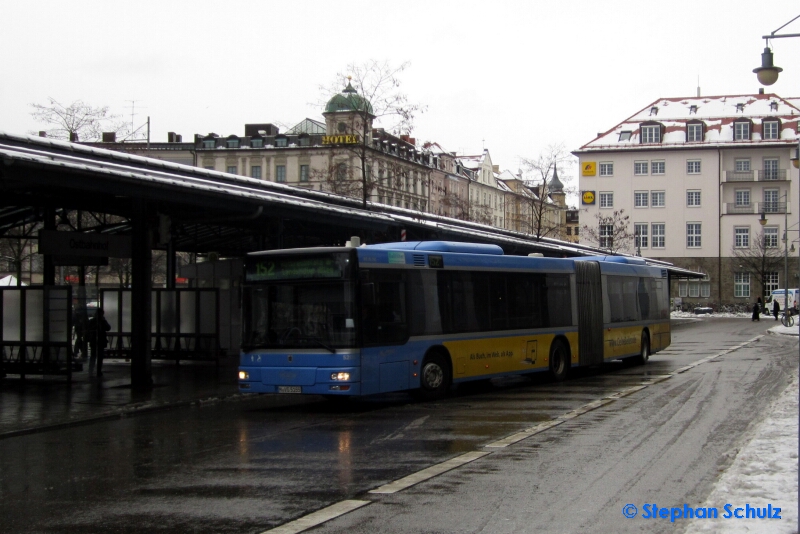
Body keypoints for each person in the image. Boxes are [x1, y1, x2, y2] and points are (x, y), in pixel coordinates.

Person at [85, 308, 111, 377]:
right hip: (97, 341)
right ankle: (95, 370)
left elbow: (108, 328)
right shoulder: (95, 321)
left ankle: (93, 370)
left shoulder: (99, 321)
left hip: (97, 341)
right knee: (96, 356)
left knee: (95, 356)